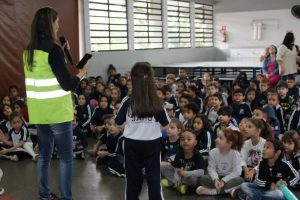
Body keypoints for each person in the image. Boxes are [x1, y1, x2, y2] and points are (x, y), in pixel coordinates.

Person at [23, 7, 88, 200]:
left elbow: (47, 75)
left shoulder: (28, 52)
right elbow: (68, 84)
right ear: (50, 24)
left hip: (40, 113)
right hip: (58, 113)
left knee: (44, 156)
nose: (59, 25)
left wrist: (63, 51)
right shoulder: (53, 50)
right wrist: (81, 74)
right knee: (66, 158)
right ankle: (66, 197)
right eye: (57, 21)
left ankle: (44, 194)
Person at [116, 62, 170, 200]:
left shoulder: (128, 101)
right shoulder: (156, 102)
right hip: (152, 143)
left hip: (131, 144)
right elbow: (165, 124)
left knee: (132, 177)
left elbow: (118, 122)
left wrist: (133, 126)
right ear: (150, 79)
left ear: (133, 80)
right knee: (153, 177)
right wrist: (150, 128)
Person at [196, 128, 244, 197]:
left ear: (229, 143)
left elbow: (237, 172)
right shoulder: (213, 152)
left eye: (221, 138)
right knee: (203, 178)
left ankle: (214, 191)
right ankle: (228, 190)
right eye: (217, 137)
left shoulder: (235, 154)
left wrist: (224, 181)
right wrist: (216, 180)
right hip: (216, 177)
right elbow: (211, 168)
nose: (216, 140)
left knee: (240, 180)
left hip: (229, 179)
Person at [161, 129, 205, 194]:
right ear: (180, 142)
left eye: (189, 139)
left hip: (191, 177)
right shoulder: (179, 155)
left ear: (195, 142)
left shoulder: (198, 155)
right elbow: (176, 169)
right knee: (162, 167)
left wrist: (185, 173)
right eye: (183, 139)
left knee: (194, 180)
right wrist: (178, 180)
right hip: (180, 176)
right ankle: (177, 184)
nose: (185, 141)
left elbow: (201, 172)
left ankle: (173, 183)